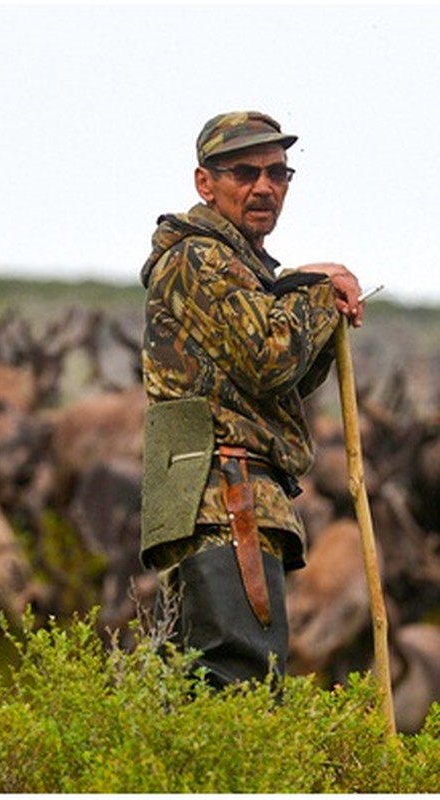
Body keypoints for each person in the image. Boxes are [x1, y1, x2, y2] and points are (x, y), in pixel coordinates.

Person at [138, 110, 366, 689]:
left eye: (278, 173)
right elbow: (268, 358)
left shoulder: (239, 269)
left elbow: (270, 384)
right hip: (224, 503)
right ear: (204, 183)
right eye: (244, 172)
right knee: (236, 685)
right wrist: (313, 294)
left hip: (229, 503)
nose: (264, 187)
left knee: (212, 688)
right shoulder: (198, 259)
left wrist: (298, 293)